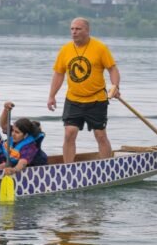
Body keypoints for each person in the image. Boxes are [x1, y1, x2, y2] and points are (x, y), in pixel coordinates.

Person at [48, 17, 121, 163]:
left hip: (97, 99)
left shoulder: (100, 48)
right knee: (69, 133)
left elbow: (112, 69)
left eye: (78, 29)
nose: (74, 32)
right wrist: (52, 96)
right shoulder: (65, 50)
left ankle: (106, 166)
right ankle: (68, 168)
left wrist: (115, 86)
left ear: (87, 31)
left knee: (100, 135)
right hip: (73, 99)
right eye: (72, 29)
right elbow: (58, 74)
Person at [0, 101, 48, 175]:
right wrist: (6, 110)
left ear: (25, 135)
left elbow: (23, 162)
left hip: (36, 168)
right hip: (16, 162)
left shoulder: (29, 146)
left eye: (17, 132)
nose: (13, 134)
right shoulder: (14, 134)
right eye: (13, 131)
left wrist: (14, 170)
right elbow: (3, 125)